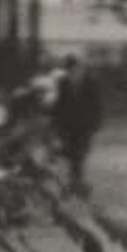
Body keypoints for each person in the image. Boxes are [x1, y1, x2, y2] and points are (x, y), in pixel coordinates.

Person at [48, 61, 105, 190]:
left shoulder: (90, 83)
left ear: (81, 70)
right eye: (71, 71)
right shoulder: (63, 83)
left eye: (77, 71)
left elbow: (97, 104)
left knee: (80, 153)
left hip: (84, 124)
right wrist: (54, 120)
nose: (74, 74)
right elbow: (60, 103)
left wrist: (97, 122)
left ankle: (76, 180)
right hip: (68, 124)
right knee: (72, 152)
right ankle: (75, 179)